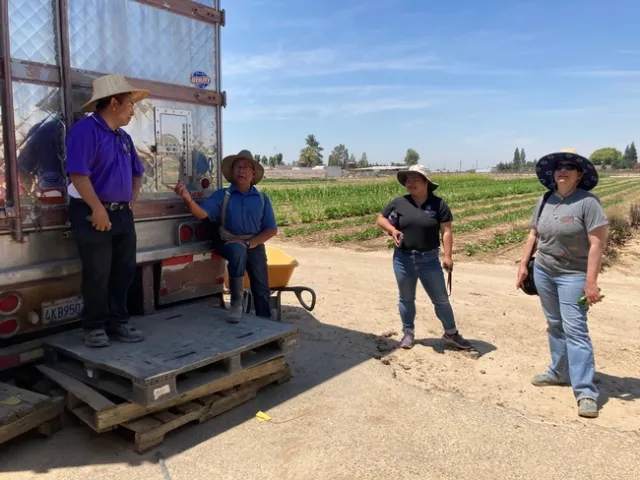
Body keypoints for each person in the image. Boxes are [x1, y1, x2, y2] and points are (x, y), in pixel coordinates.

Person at [516, 149, 608, 419]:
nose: (563, 170)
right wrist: (523, 265)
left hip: (573, 275)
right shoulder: (545, 199)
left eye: (570, 167)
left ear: (579, 175)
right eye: (559, 167)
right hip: (544, 271)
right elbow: (534, 234)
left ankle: (586, 392)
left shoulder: (588, 202)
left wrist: (591, 282)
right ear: (553, 174)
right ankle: (558, 372)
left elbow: (597, 244)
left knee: (576, 331)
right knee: (555, 325)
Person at [65, 74, 149, 347]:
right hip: (92, 213)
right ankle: (94, 327)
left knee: (124, 271)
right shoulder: (84, 131)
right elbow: (78, 174)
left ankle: (119, 322)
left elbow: (138, 173)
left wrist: (130, 202)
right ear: (114, 102)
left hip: (122, 214)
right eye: (129, 105)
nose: (132, 112)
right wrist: (98, 209)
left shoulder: (123, 138)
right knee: (98, 273)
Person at [170, 149, 278, 322]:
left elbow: (271, 229)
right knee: (237, 250)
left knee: (261, 287)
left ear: (253, 173)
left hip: (254, 244)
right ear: (232, 172)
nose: (241, 171)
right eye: (237, 167)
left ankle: (266, 321)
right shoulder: (223, 195)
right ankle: (236, 304)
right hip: (230, 242)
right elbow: (202, 213)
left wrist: (250, 243)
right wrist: (188, 199)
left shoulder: (262, 199)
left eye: (245, 167)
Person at [376, 164, 473, 351]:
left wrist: (448, 256)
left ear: (426, 182)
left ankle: (451, 333)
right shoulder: (399, 202)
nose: (410, 183)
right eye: (407, 180)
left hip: (429, 259)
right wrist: (392, 229)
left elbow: (446, 231)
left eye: (415, 179)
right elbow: (380, 218)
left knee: (441, 299)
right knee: (406, 298)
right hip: (403, 259)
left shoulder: (439, 204)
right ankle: (408, 332)